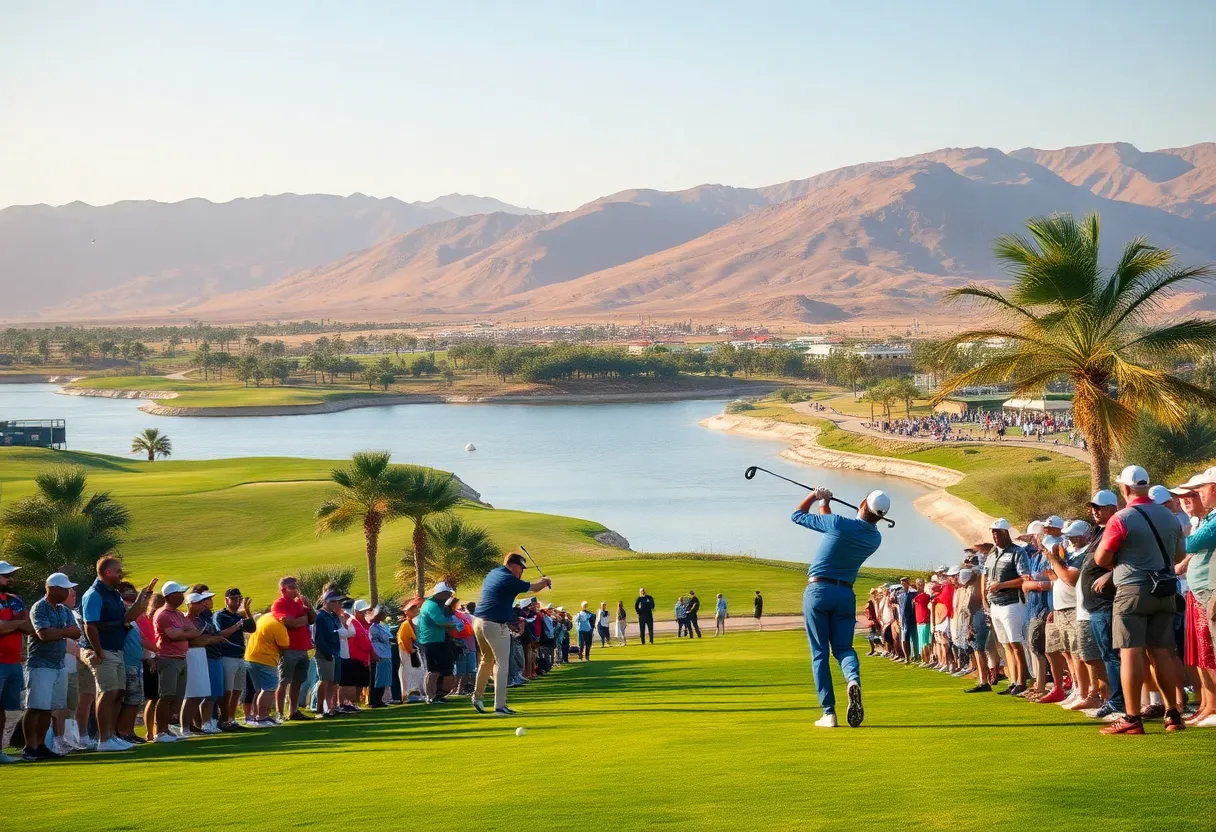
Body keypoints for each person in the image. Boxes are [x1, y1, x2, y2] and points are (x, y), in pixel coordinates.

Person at [1095, 465, 1187, 734]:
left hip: (1132, 590)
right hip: (1165, 590)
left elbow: (1101, 559)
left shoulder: (1122, 518)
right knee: (1162, 653)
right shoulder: (1170, 516)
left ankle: (1132, 718)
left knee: (1130, 652)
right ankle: (1173, 714)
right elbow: (1179, 556)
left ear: (1124, 489)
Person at [792, 486, 890, 728]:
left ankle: (829, 713)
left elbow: (798, 515)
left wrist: (816, 497)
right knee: (843, 648)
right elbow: (832, 522)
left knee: (820, 654)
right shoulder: (874, 538)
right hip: (845, 594)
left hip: (819, 591)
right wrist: (824, 503)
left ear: (862, 504)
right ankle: (852, 679)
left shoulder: (837, 523)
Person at [81, 557, 156, 750]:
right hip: (102, 649)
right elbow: (90, 625)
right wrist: (98, 652)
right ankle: (104, 739)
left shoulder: (113, 594)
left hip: (116, 649)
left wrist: (142, 599)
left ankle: (112, 736)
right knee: (108, 692)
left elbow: (128, 618)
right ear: (107, 573)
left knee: (118, 693)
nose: (121, 574)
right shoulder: (94, 594)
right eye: (118, 571)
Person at [471, 552, 551, 716]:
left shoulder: (493, 573)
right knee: (502, 663)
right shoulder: (509, 579)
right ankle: (500, 706)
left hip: (478, 622)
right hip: (493, 624)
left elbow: (498, 601)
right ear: (513, 565)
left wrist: (511, 619)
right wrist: (544, 582)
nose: (521, 571)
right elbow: (532, 588)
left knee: (487, 659)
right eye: (521, 568)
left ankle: (477, 697)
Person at [1174, 468, 1216, 727]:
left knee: (1210, 650)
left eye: (1200, 488)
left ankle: (1212, 707)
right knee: (1204, 651)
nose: (1196, 495)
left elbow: (1187, 546)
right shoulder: (1208, 518)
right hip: (1201, 590)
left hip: (1210, 590)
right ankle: (1209, 706)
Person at [23, 573, 81, 761]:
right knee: (35, 707)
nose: (68, 591)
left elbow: (77, 632)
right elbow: (44, 635)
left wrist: (58, 632)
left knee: (48, 709)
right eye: (65, 588)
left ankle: (41, 745)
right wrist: (63, 632)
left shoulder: (63, 610)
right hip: (40, 664)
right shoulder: (39, 608)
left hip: (58, 664)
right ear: (53, 589)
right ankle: (29, 747)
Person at [1081, 489, 1124, 719]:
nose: (1094, 511)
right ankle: (1115, 699)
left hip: (1106, 604)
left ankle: (1118, 702)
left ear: (1112, 509)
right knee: (1108, 654)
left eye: (1099, 507)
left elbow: (1125, 561)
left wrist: (1110, 575)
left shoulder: (1114, 529)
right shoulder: (1099, 532)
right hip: (1095, 605)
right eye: (1093, 507)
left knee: (1111, 655)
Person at [982, 519, 1031, 696]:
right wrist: (985, 596)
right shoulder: (992, 553)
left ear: (1005, 533)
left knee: (1016, 643)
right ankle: (1013, 680)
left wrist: (1001, 586)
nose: (995, 536)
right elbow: (986, 575)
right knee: (1006, 645)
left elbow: (1025, 578)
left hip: (1012, 604)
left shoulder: (1017, 552)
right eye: (993, 533)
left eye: (998, 532)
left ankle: (1021, 681)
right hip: (995, 604)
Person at [150, 582, 200, 743]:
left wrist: (183, 633)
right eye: (179, 593)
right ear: (170, 596)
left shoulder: (178, 614)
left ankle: (168, 728)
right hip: (168, 658)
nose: (182, 596)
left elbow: (194, 631)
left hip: (180, 658)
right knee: (167, 696)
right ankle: (160, 731)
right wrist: (184, 633)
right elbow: (174, 635)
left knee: (177, 697)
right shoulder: (163, 614)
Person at [270, 575, 315, 721]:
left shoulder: (298, 604)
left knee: (298, 681)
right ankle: (279, 713)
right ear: (284, 589)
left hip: (302, 649)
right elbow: (290, 623)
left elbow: (313, 619)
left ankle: (293, 711)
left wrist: (309, 608)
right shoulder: (279, 604)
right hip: (289, 649)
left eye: (297, 587)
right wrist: (304, 619)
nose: (297, 590)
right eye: (293, 587)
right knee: (284, 682)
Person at [0, 561, 32, 764]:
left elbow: (29, 627)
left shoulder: (14, 600)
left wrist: (15, 624)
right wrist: (18, 624)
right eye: (6, 576)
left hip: (13, 663)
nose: (11, 579)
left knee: (5, 710)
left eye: (11, 575)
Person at [116, 581, 155, 744]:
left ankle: (129, 731)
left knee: (135, 701)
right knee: (128, 701)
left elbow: (141, 640)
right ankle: (123, 732)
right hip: (128, 662)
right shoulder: (124, 620)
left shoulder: (133, 622)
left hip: (137, 663)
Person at [214, 587, 255, 731]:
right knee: (228, 690)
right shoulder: (221, 615)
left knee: (237, 690)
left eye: (239, 599)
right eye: (234, 599)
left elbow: (252, 629)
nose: (237, 602)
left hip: (239, 657)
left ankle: (231, 719)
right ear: (227, 600)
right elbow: (221, 633)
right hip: (227, 656)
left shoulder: (238, 616)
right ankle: (224, 719)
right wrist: (237, 626)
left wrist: (248, 611)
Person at [244, 609, 292, 725]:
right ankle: (262, 717)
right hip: (265, 659)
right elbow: (285, 645)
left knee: (259, 690)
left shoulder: (264, 618)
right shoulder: (278, 625)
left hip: (251, 657)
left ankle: (257, 716)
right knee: (269, 689)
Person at [416, 587, 457, 704]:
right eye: (448, 594)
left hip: (438, 640)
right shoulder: (431, 605)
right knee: (433, 671)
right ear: (441, 593)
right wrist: (455, 624)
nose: (449, 597)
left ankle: (439, 695)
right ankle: (430, 697)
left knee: (443, 671)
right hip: (430, 641)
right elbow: (441, 621)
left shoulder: (436, 604)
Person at [312, 590, 346, 717]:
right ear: (329, 602)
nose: (338, 604)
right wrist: (327, 652)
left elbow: (340, 630)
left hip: (334, 651)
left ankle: (330, 707)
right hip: (325, 652)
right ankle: (319, 708)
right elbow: (318, 638)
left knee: (332, 681)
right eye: (336, 601)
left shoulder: (332, 615)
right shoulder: (320, 616)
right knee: (324, 680)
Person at [369, 607, 395, 707]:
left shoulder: (382, 626)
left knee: (384, 678)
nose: (384, 616)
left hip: (386, 653)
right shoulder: (373, 628)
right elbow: (373, 642)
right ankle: (374, 700)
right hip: (379, 654)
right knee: (378, 679)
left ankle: (380, 699)